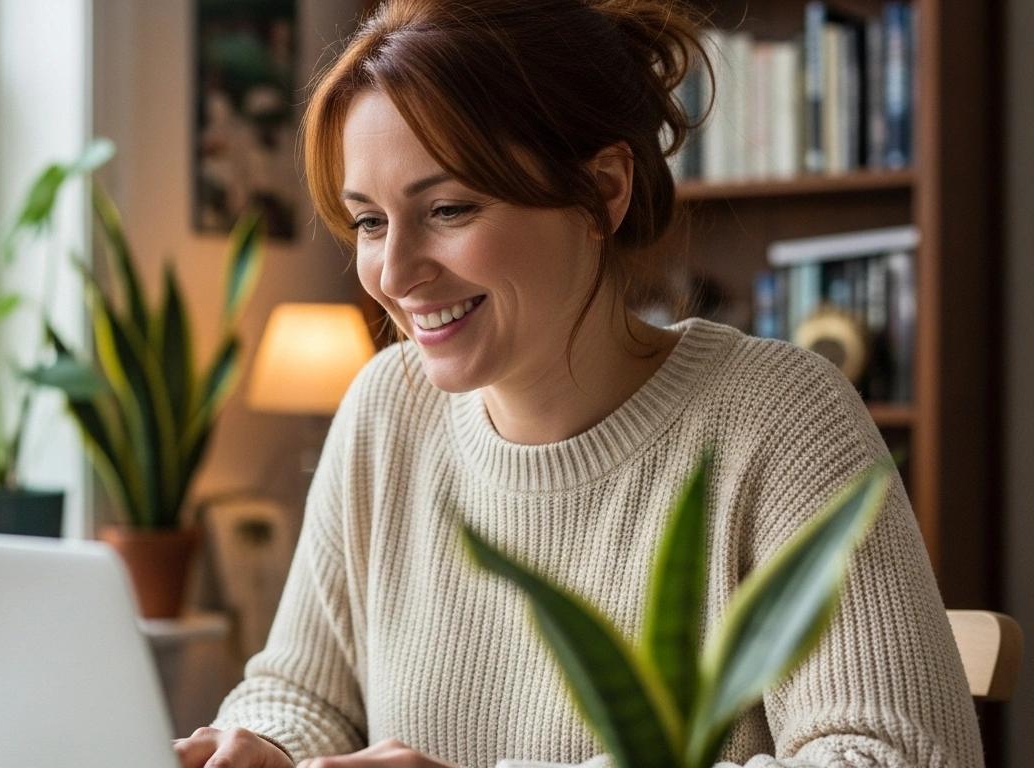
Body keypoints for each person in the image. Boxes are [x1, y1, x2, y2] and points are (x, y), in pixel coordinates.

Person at [175, 1, 983, 766]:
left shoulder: (779, 418)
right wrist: (267, 744)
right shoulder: (387, 407)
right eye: (370, 221)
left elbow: (895, 756)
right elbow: (299, 690)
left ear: (602, 192)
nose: (394, 273)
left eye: (449, 209)